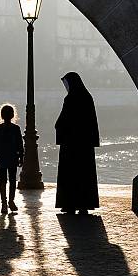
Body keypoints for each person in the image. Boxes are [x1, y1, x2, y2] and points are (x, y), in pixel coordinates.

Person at [55, 72, 100, 215]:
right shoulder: (87, 98)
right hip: (85, 145)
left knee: (69, 174)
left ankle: (69, 204)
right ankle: (84, 204)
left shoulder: (70, 99)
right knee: (84, 174)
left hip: (70, 144)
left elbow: (62, 121)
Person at [0, 104, 24, 214]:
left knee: (3, 181)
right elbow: (20, 145)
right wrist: (21, 157)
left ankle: (4, 203)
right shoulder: (16, 129)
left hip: (1, 157)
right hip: (12, 157)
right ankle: (11, 201)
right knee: (12, 180)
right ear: (13, 115)